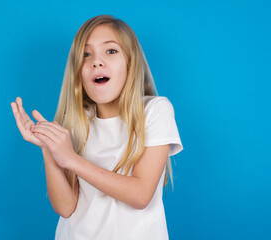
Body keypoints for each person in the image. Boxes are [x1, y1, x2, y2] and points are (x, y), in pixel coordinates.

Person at [11, 15, 183, 240]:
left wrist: (70, 158)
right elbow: (66, 208)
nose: (96, 61)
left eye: (110, 51)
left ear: (130, 62)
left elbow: (140, 195)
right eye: (86, 54)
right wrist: (49, 149)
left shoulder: (156, 110)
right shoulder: (76, 122)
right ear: (78, 72)